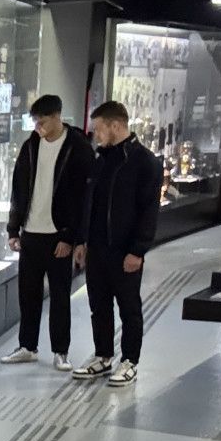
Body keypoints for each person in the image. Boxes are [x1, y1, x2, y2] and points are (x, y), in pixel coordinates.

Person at [72, 100, 162, 387]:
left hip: (125, 250)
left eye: (99, 129)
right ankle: (103, 356)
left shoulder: (144, 162)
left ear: (116, 125)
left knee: (128, 307)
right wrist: (82, 240)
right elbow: (89, 203)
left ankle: (130, 360)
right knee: (98, 305)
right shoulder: (100, 160)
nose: (96, 134)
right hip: (97, 248)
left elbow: (149, 210)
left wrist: (138, 250)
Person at [1, 95, 94, 371]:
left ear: (56, 117)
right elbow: (18, 189)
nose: (38, 126)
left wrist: (71, 237)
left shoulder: (77, 147)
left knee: (60, 295)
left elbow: (84, 197)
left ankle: (60, 351)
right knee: (28, 294)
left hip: (58, 235)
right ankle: (27, 346)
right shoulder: (30, 146)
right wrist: (13, 228)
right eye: (35, 122)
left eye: (42, 121)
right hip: (30, 232)